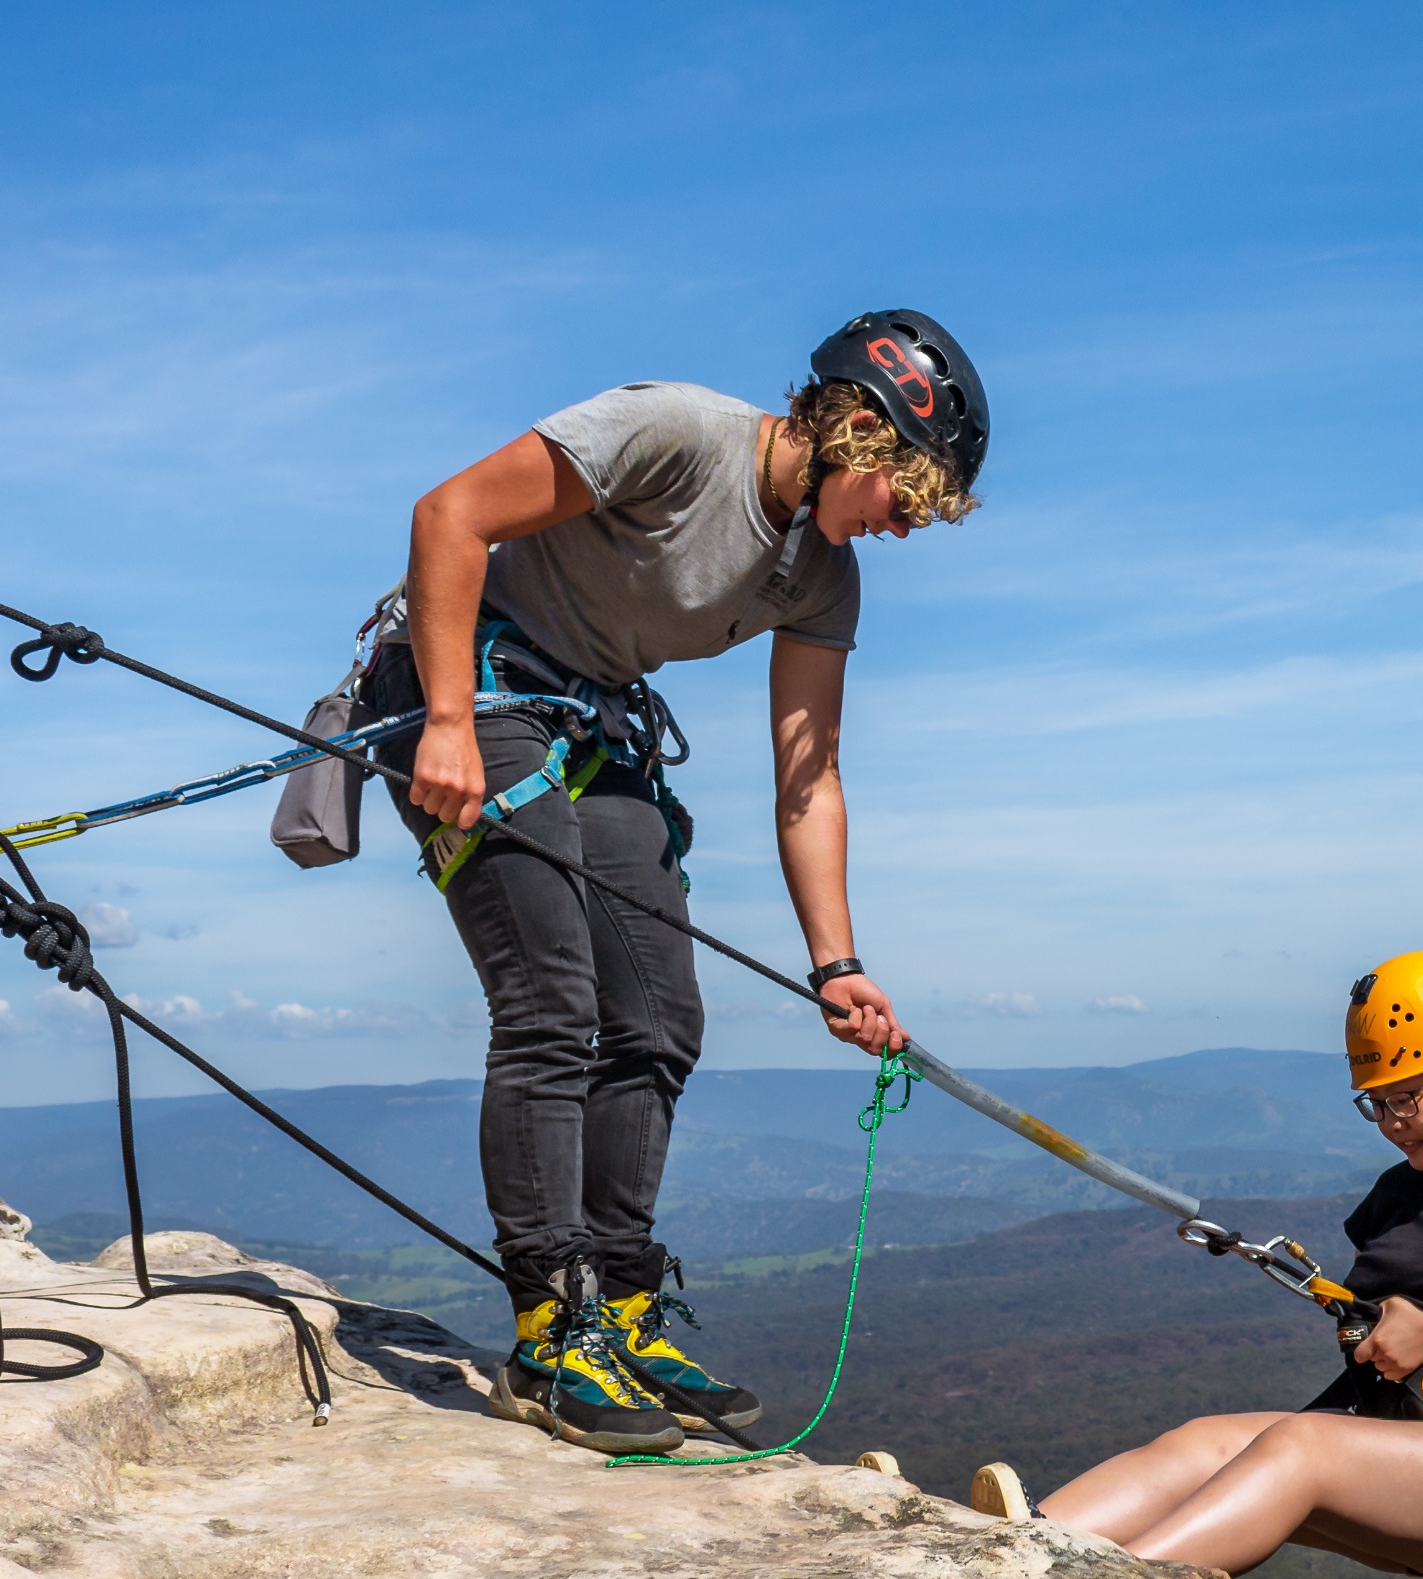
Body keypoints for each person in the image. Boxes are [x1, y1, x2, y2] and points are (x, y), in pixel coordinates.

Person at [366, 311, 988, 1456]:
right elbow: (449, 516)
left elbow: (811, 781)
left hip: (587, 717)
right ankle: (553, 1331)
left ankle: (625, 1310)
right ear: (859, 430)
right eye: (904, 501)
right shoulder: (676, 435)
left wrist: (837, 964)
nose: (901, 530)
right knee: (552, 999)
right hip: (461, 674)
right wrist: (445, 723)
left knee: (658, 1017)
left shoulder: (822, 577)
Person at [980, 951, 1423, 1579]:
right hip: (1400, 1439)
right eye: (1375, 1105)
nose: (1391, 1124)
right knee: (1203, 1444)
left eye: (1406, 1100)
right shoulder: (1404, 1190)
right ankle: (1018, 1553)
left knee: (1300, 1446)